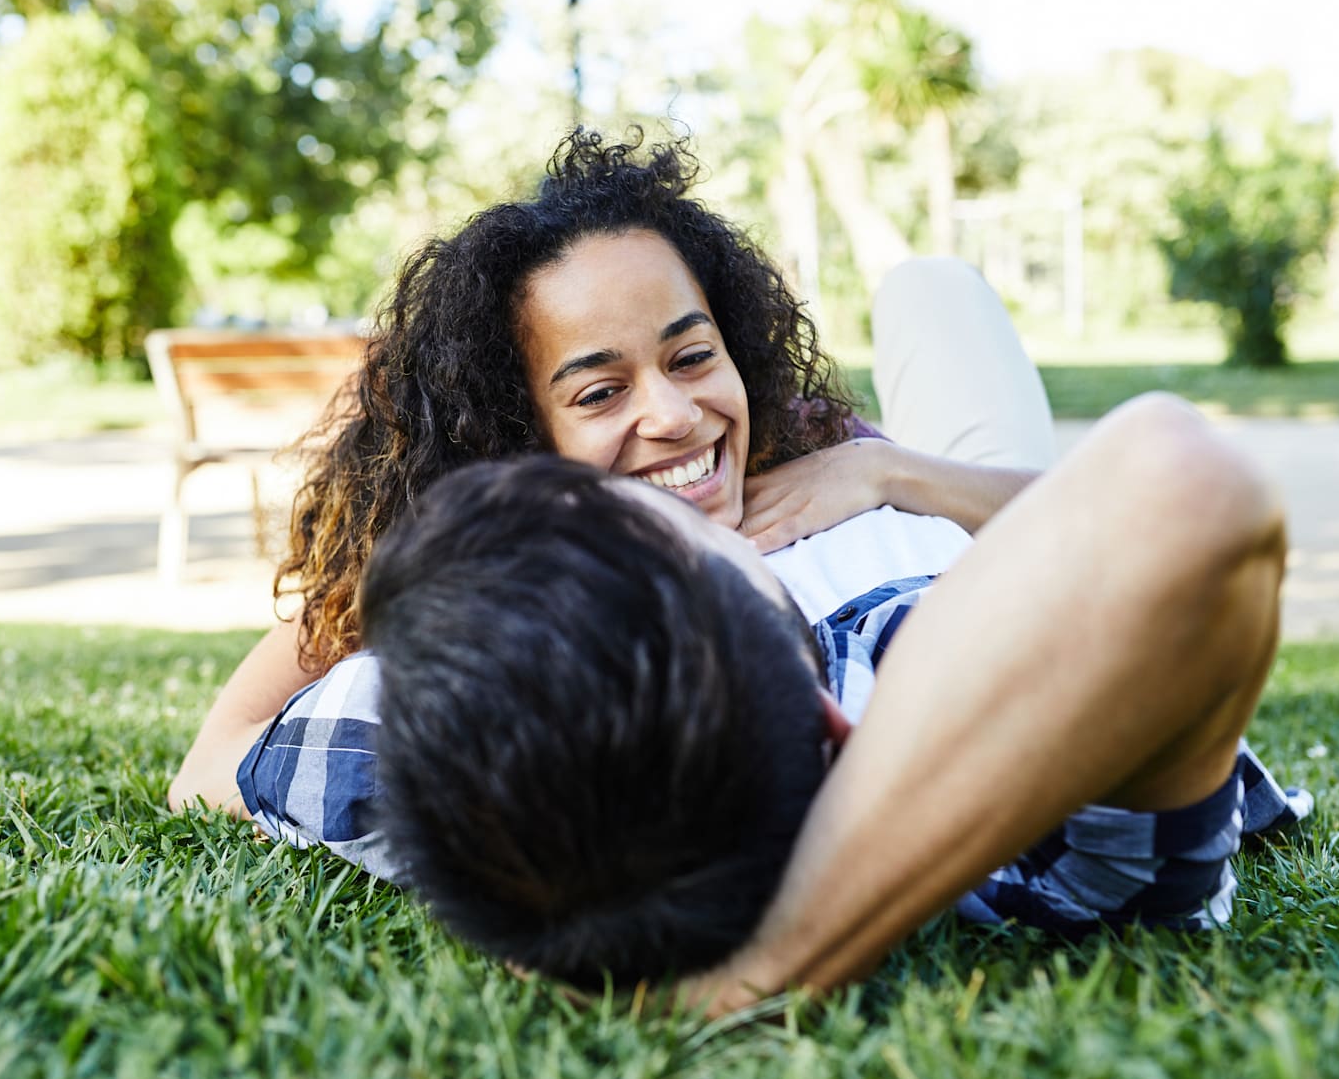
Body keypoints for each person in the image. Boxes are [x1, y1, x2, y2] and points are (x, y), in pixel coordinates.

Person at [168, 129, 1049, 817]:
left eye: (694, 354)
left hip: (947, 470)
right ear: (519, 443)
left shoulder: (804, 439)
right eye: (599, 392)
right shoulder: (481, 559)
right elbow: (208, 766)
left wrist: (886, 468)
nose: (671, 414)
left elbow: (1081, 512)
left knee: (931, 288)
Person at [359, 403, 1309, 1006]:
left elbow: (275, 742)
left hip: (942, 515)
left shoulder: (490, 788)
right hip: (997, 516)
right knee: (935, 288)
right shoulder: (1059, 850)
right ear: (837, 722)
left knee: (925, 294)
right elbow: (1184, 480)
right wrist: (786, 961)